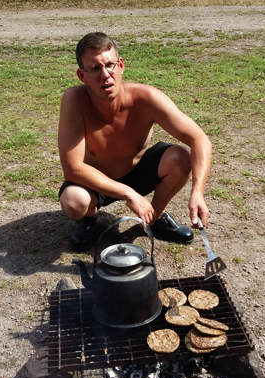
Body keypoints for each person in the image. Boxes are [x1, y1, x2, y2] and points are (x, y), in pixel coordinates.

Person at [58, 32, 212, 251]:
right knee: (74, 202)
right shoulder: (75, 100)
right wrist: (129, 194)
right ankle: (89, 218)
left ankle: (154, 217)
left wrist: (197, 191)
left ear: (121, 65)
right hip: (95, 182)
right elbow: (72, 168)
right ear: (82, 76)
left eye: (110, 65)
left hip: (136, 170)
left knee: (180, 158)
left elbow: (199, 139)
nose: (105, 75)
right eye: (94, 69)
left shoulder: (146, 98)